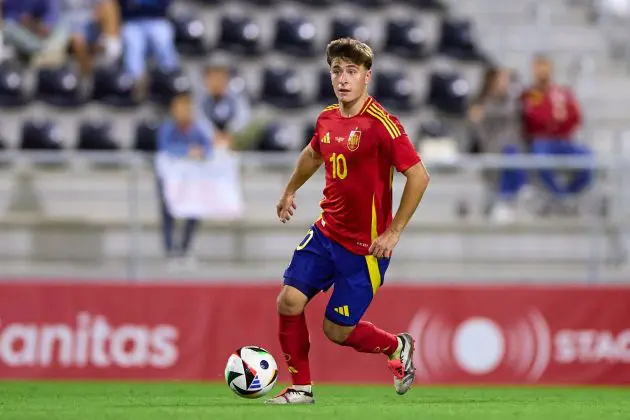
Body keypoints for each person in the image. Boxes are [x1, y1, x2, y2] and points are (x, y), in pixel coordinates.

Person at [267, 37, 430, 405]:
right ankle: (301, 389)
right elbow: (313, 154)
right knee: (288, 301)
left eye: (351, 71)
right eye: (337, 71)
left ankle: (395, 346)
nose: (343, 78)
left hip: (365, 250)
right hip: (326, 234)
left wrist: (394, 231)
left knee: (336, 331)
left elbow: (419, 176)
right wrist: (289, 190)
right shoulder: (326, 117)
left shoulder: (382, 125)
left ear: (366, 77)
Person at [521, 54, 591, 212]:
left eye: (545, 67)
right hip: (541, 141)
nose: (542, 72)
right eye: (539, 68)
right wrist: (550, 122)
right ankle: (562, 198)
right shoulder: (528, 95)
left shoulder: (562, 93)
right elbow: (533, 119)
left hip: (564, 140)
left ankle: (568, 195)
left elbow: (574, 116)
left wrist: (558, 124)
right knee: (541, 159)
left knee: (588, 158)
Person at [156, 91, 211, 266]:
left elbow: (208, 148)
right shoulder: (167, 129)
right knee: (167, 213)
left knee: (193, 212)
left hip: (191, 181)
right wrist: (188, 151)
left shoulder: (197, 130)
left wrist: (201, 152)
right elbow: (165, 149)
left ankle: (185, 249)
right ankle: (170, 250)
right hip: (169, 180)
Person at [468, 66, 526, 223]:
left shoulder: (513, 102)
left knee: (514, 154)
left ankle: (508, 199)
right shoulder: (481, 102)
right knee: (508, 155)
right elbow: (477, 131)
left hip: (511, 148)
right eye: (502, 79)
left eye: (507, 80)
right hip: (491, 147)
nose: (505, 83)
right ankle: (503, 199)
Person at [117, 0, 179, 100]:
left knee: (163, 40)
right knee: (134, 45)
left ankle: (170, 79)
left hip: (157, 19)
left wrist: (140, 3)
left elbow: (165, 3)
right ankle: (137, 83)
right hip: (131, 21)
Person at [199, 57, 252, 149]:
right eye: (213, 76)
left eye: (221, 76)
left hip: (233, 141)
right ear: (206, 79)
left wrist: (230, 133)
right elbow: (198, 120)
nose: (217, 81)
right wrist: (213, 135)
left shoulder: (235, 95)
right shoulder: (200, 98)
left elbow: (244, 116)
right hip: (208, 143)